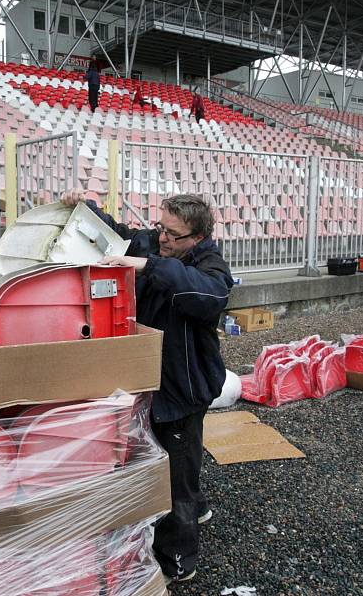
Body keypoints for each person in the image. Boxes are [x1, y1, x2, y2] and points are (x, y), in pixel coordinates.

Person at [61, 190, 233, 585]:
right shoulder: (156, 243)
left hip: (183, 386)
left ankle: (177, 556)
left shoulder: (210, 265)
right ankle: (196, 505)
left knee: (176, 474)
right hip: (150, 379)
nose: (162, 239)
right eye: (161, 228)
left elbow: (211, 296)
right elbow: (116, 232)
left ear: (198, 238)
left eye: (173, 235)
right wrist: (83, 207)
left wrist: (147, 265)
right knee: (166, 456)